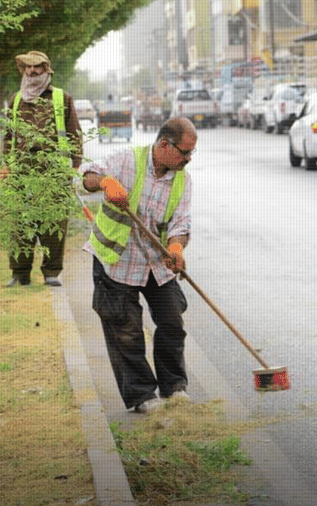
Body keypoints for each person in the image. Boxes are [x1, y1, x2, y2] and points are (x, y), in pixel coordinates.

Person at [79, 118, 195, 413]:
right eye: (184, 152)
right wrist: (105, 182)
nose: (188, 159)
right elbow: (87, 176)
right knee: (125, 330)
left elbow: (181, 222)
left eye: (191, 153)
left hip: (156, 262)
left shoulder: (183, 180)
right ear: (164, 145)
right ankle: (142, 395)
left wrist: (176, 248)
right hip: (117, 261)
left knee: (172, 322)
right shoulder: (126, 160)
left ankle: (174, 387)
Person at [1, 50, 83, 287]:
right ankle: (20, 274)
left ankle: (51, 273)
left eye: (36, 66)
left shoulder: (61, 98)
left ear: (46, 69)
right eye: (27, 67)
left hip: (53, 169)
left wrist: (75, 165)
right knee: (20, 223)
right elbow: (8, 135)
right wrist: (6, 165)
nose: (32, 71)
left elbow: (74, 133)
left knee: (54, 222)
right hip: (21, 169)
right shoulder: (16, 99)